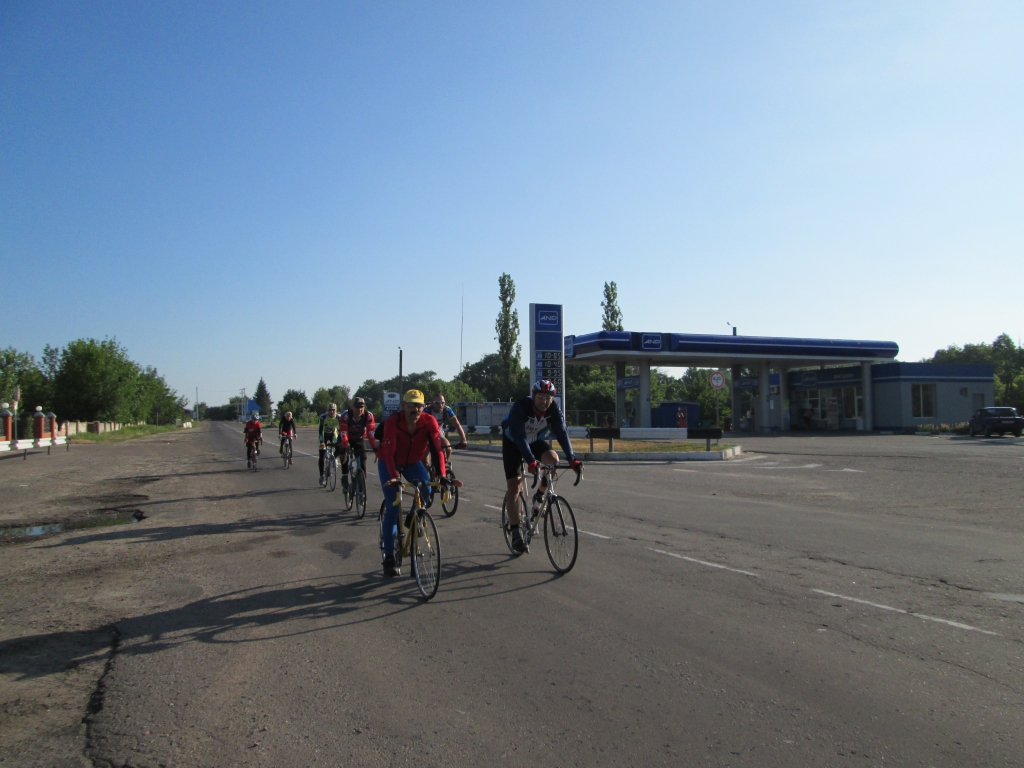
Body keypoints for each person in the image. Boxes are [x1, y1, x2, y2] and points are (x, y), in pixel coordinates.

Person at [377, 390, 459, 576]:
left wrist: (442, 475)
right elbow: (389, 453)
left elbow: (437, 449)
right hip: (389, 461)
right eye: (411, 405)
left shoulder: (429, 421)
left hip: (413, 462)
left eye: (419, 405)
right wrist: (394, 477)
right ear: (403, 406)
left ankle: (412, 518)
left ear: (424, 406)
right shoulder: (393, 422)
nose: (415, 409)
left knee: (426, 490)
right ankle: (389, 557)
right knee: (393, 505)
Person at [501, 380, 582, 554]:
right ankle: (515, 532)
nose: (544, 401)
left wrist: (573, 459)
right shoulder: (521, 406)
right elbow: (520, 436)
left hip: (534, 440)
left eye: (548, 398)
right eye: (541, 397)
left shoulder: (553, 410)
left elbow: (562, 433)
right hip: (513, 442)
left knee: (553, 460)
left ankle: (539, 496)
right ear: (533, 396)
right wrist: (531, 461)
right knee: (514, 485)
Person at [338, 397, 377, 492]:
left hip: (359, 438)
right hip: (346, 438)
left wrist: (375, 448)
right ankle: (345, 477)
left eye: (361, 407)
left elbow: (371, 434)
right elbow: (344, 434)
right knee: (344, 456)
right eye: (357, 407)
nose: (359, 409)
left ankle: (361, 490)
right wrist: (344, 447)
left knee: (363, 465)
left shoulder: (368, 416)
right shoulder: (346, 415)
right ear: (352, 407)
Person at [423, 393, 468, 460]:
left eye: (442, 402)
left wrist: (463, 440)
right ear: (432, 403)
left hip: (438, 431)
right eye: (437, 403)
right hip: (426, 432)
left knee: (448, 449)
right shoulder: (426, 410)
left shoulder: (447, 410)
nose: (440, 405)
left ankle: (444, 463)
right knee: (425, 458)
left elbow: (457, 425)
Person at [317, 403, 341, 486]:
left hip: (333, 434)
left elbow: (340, 430)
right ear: (327, 411)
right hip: (324, 435)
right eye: (330, 410)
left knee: (339, 447)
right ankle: (321, 475)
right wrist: (321, 442)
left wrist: (340, 441)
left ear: (336, 410)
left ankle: (333, 459)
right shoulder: (323, 417)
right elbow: (320, 431)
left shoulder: (339, 417)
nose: (331, 412)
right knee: (321, 454)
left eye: (333, 410)